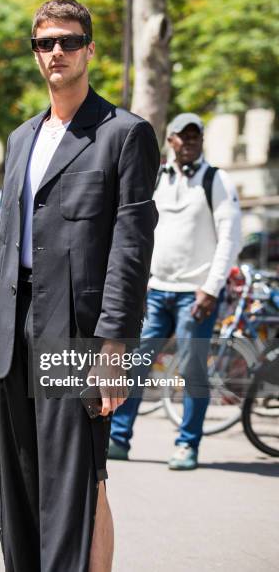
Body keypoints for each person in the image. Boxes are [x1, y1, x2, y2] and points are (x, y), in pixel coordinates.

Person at [0, 0, 159, 572]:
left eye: (69, 41)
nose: (56, 52)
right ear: (35, 52)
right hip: (17, 325)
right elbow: (6, 243)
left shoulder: (125, 134)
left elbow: (132, 246)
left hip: (78, 333)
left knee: (81, 481)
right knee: (22, 479)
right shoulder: (20, 138)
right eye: (45, 42)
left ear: (90, 50)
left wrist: (113, 347)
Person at [109, 112, 242, 469]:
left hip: (195, 294)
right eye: (183, 136)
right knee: (134, 365)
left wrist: (211, 288)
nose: (190, 141)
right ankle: (119, 438)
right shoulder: (156, 178)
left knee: (192, 370)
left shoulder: (217, 180)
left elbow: (230, 238)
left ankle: (187, 444)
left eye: (195, 135)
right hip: (155, 290)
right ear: (170, 141)